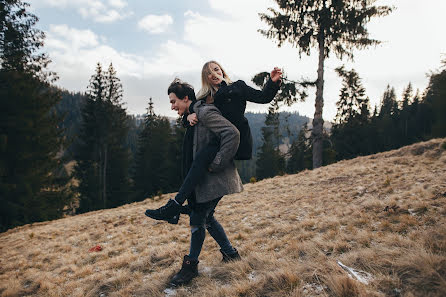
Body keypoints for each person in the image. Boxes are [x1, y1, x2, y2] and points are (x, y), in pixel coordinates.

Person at [145, 61, 282, 224]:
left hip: (234, 140)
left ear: (222, 71)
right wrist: (186, 118)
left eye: (216, 70)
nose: (214, 74)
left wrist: (272, 83)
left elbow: (263, 97)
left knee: (200, 161)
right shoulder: (205, 97)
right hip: (216, 140)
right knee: (196, 163)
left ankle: (177, 206)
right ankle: (180, 206)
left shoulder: (238, 87)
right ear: (206, 79)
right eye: (209, 73)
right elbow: (190, 108)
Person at [146, 79, 243, 286]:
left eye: (174, 102)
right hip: (204, 179)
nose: (172, 106)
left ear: (186, 98)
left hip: (215, 178)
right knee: (207, 218)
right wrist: (186, 116)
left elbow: (232, 133)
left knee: (198, 219)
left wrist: (217, 163)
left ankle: (189, 268)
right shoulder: (194, 114)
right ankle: (230, 254)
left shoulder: (205, 112)